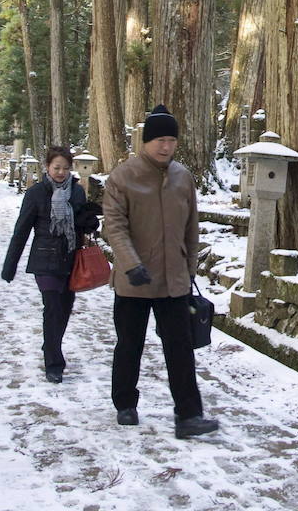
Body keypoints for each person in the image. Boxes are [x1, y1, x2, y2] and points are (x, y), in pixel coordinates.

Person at [100, 105, 219, 437]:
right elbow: (115, 227)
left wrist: (190, 268)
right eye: (159, 140)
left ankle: (188, 415)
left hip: (174, 281)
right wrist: (130, 264)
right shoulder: (123, 177)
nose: (165, 146)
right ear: (146, 141)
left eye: (171, 140)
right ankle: (125, 403)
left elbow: (191, 227)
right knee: (130, 344)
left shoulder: (183, 177)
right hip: (135, 280)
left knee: (180, 349)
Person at [1, 146, 100, 383]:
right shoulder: (36, 193)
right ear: (47, 167)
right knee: (53, 307)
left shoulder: (76, 192)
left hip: (70, 258)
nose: (61, 172)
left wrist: (89, 220)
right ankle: (53, 362)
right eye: (56, 168)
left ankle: (51, 344)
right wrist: (10, 265)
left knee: (64, 310)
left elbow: (82, 225)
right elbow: (21, 231)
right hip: (45, 259)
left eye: (65, 168)